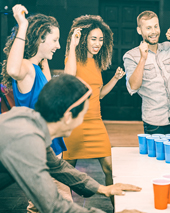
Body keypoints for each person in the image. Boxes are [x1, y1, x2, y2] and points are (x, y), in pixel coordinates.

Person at [0, 74, 142, 213]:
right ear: (68, 117)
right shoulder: (27, 139)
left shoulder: (31, 120)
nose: (82, 121)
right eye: (83, 115)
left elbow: (57, 166)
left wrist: (101, 189)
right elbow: (53, 205)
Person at [0, 4, 72, 210]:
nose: (58, 45)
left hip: (50, 151)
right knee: (62, 203)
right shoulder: (26, 67)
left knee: (41, 205)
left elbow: (50, 91)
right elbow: (12, 68)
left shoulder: (37, 68)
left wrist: (43, 57)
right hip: (41, 153)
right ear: (41, 38)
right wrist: (23, 25)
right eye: (55, 40)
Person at [63, 15, 125, 206]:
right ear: (84, 39)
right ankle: (64, 206)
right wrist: (72, 47)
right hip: (75, 124)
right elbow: (68, 78)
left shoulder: (97, 62)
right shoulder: (72, 58)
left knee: (109, 167)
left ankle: (117, 207)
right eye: (93, 39)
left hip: (96, 123)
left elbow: (98, 95)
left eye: (100, 39)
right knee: (66, 170)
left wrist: (115, 79)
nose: (97, 43)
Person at [123, 10, 170, 135]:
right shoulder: (131, 56)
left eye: (156, 26)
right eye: (148, 28)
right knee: (158, 155)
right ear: (139, 30)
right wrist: (143, 59)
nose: (154, 31)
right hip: (155, 124)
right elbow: (133, 86)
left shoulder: (169, 48)